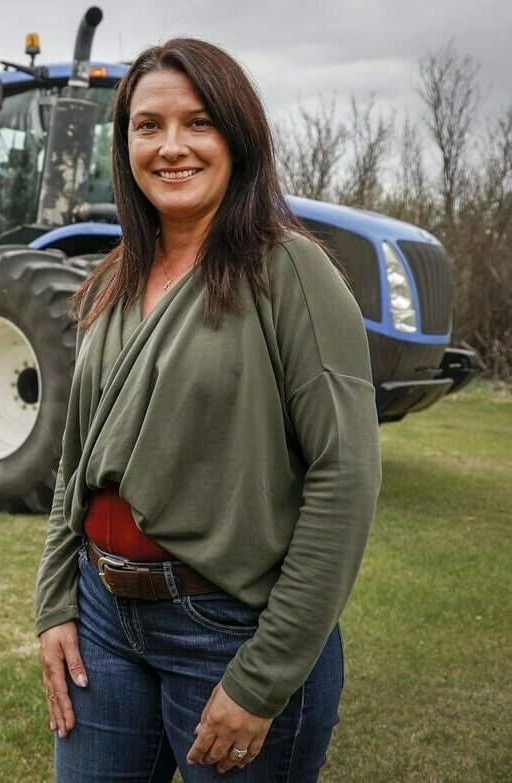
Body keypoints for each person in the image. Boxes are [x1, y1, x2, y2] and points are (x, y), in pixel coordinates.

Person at [34, 38, 382, 781]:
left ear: (237, 134)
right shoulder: (111, 280)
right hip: (102, 616)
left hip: (227, 626)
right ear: (123, 141)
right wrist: (54, 601)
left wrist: (262, 676)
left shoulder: (289, 271)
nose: (171, 147)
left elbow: (343, 474)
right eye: (147, 126)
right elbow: (75, 457)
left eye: (197, 123)